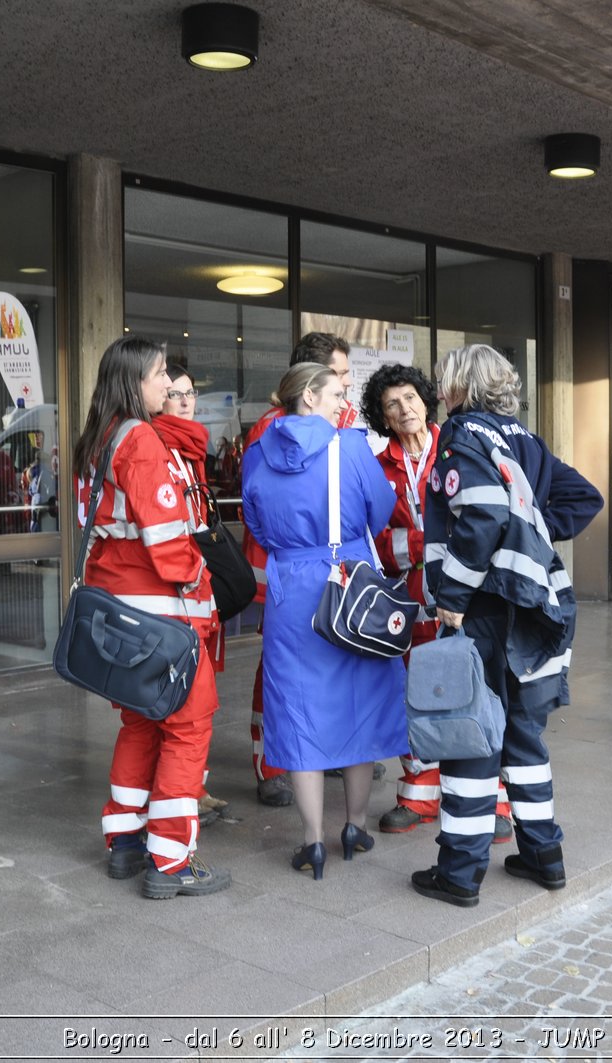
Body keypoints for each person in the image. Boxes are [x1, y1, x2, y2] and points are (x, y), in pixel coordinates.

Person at [412, 344, 602, 908]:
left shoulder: (461, 434)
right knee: (523, 735)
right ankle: (544, 856)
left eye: (444, 380)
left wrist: (454, 593)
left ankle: (460, 873)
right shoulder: (522, 439)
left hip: (486, 610)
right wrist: (532, 533)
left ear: (459, 386)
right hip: (536, 607)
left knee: (471, 734)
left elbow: (485, 513)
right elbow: (582, 497)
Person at [74, 336, 229, 899]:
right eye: (161, 374)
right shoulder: (140, 439)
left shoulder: (98, 437)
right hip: (164, 616)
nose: (169, 384)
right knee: (188, 728)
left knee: (140, 723)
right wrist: (200, 586)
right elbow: (167, 543)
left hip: (120, 612)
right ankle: (171, 860)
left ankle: (125, 841)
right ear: (134, 379)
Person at [242, 362, 408, 881]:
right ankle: (353, 827)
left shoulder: (255, 455)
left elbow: (255, 523)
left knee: (297, 709)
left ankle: (312, 841)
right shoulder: (350, 447)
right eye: (336, 393)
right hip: (348, 584)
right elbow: (381, 510)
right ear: (309, 396)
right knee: (360, 703)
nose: (343, 403)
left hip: (290, 589)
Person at [360, 362, 514, 839]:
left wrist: (426, 543)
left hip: (469, 594)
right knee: (418, 692)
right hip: (408, 599)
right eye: (392, 404)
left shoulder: (458, 445)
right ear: (383, 417)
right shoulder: (375, 465)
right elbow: (377, 540)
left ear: (426, 401)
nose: (403, 409)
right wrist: (419, 544)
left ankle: (493, 801)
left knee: (478, 688)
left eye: (410, 398)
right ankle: (419, 794)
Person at [242, 332, 362, 807]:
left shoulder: (338, 424)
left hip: (325, 568)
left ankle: (320, 748)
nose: (349, 385)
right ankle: (271, 764)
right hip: (287, 572)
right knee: (280, 669)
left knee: (326, 660)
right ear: (312, 383)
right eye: (341, 375)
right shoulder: (271, 430)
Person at [154, 360, 228, 826]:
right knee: (184, 701)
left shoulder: (192, 446)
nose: (184, 401)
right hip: (176, 592)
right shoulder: (157, 443)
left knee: (200, 693)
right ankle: (178, 796)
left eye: (190, 393)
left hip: (201, 586)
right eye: (175, 393)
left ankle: (194, 785)